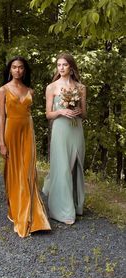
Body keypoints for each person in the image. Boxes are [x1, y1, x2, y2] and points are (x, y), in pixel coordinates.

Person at [0, 56, 51, 238]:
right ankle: (17, 212)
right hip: (11, 132)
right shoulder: (3, 90)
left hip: (28, 132)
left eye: (21, 67)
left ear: (24, 70)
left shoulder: (31, 91)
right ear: (10, 70)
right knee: (13, 173)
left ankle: (32, 217)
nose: (17, 70)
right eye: (14, 67)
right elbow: (1, 119)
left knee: (28, 173)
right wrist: (2, 143)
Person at [42, 52, 87, 225]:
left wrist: (78, 112)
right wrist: (61, 111)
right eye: (59, 65)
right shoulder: (51, 87)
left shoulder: (81, 88)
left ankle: (76, 205)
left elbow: (85, 114)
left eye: (64, 65)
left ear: (71, 67)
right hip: (60, 129)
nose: (61, 68)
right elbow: (48, 114)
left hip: (76, 129)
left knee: (76, 165)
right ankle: (62, 211)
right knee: (62, 166)